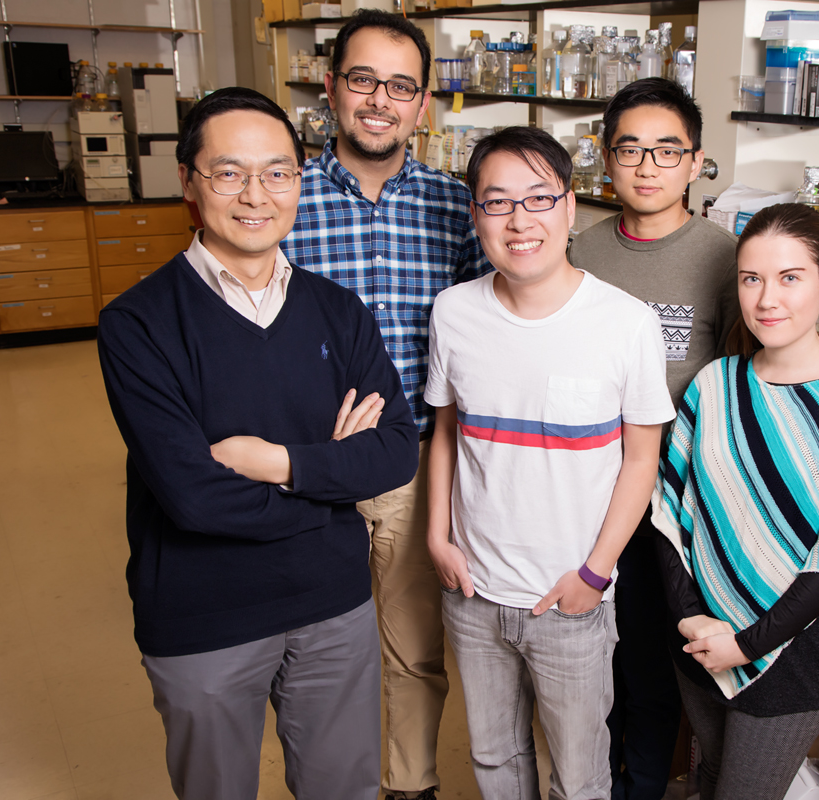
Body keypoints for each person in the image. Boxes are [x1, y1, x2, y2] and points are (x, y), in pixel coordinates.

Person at [97, 87, 419, 800]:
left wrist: (277, 463)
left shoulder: (339, 310)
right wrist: (333, 483)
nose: (256, 195)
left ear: (299, 182)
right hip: (205, 614)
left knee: (345, 790)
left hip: (334, 605)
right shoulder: (138, 324)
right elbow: (193, 498)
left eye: (277, 172)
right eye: (228, 172)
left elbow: (396, 452)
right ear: (188, 182)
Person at [424, 126, 675, 800]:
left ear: (569, 207)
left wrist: (594, 573)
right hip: (473, 593)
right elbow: (446, 433)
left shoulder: (625, 322)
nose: (519, 220)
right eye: (497, 202)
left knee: (579, 776)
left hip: (570, 600)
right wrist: (437, 537)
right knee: (494, 761)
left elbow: (642, 459)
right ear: (475, 214)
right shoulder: (454, 312)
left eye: (538, 198)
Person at [281, 12, 489, 800]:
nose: (380, 101)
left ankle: (410, 786)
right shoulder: (283, 196)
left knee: (414, 650)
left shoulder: (455, 206)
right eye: (363, 80)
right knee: (315, 655)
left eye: (400, 86)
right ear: (331, 86)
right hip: (307, 466)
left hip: (412, 464)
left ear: (423, 103)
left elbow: (485, 332)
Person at [651, 203, 819, 800]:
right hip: (701, 632)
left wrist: (744, 645)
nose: (768, 299)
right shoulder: (714, 384)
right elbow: (668, 514)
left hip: (797, 654)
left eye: (790, 277)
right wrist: (690, 616)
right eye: (752, 279)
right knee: (711, 777)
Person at [567, 77, 739, 800]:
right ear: (606, 158)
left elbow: (740, 386)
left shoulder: (727, 258)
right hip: (580, 493)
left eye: (667, 151)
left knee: (648, 669)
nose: (647, 167)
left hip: (669, 508)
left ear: (695, 162)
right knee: (582, 668)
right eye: (630, 149)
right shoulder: (577, 250)